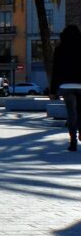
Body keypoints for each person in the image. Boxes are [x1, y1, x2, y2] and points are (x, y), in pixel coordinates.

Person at [51, 24, 81, 152]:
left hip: (66, 85)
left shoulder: (59, 49)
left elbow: (56, 71)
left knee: (71, 113)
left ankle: (73, 141)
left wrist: (53, 90)